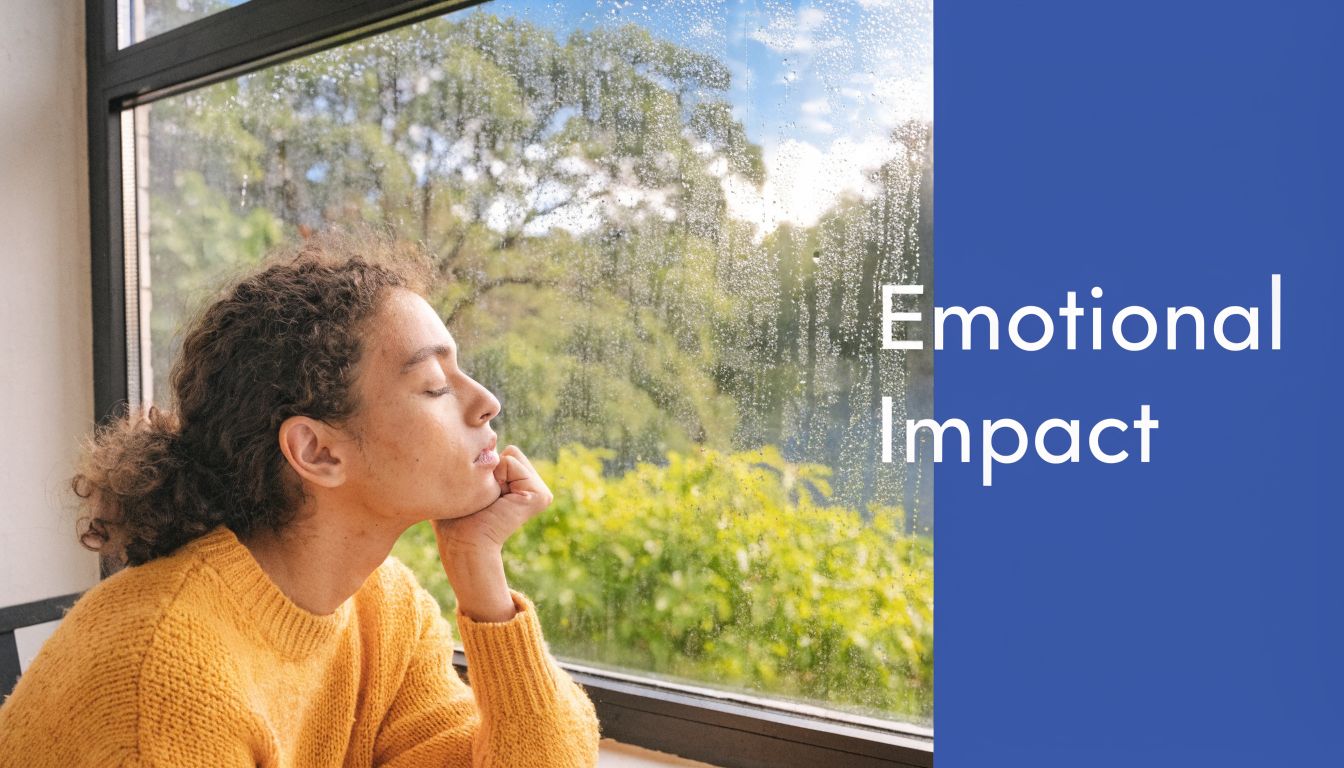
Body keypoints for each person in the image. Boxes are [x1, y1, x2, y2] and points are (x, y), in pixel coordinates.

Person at [0, 231, 601, 766]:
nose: (487, 401)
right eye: (435, 386)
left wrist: (478, 568)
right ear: (317, 452)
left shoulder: (382, 608)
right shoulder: (166, 678)